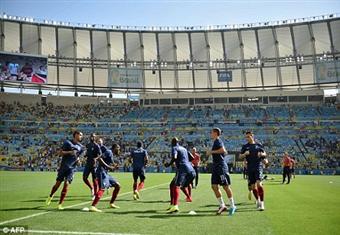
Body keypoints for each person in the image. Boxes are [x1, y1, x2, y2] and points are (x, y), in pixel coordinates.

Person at [46, 131, 84, 210]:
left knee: (66, 184)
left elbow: (77, 156)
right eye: (80, 135)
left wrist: (78, 160)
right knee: (57, 184)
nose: (81, 136)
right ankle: (51, 195)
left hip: (72, 168)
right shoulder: (67, 143)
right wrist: (70, 152)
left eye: (81, 135)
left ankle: (60, 204)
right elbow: (60, 153)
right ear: (75, 135)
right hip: (63, 167)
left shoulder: (81, 147)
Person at [206, 127, 236, 216]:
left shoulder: (218, 140)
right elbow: (225, 151)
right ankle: (222, 205)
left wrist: (211, 152)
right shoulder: (216, 142)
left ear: (215, 133)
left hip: (221, 167)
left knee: (225, 186)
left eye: (211, 132)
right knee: (214, 186)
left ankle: (232, 205)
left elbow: (223, 150)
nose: (210, 133)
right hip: (216, 166)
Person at [164, 138, 196, 213]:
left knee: (176, 186)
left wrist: (168, 164)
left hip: (182, 169)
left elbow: (174, 157)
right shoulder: (184, 148)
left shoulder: (174, 148)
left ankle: (175, 205)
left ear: (172, 143)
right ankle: (172, 204)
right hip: (190, 169)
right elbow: (192, 157)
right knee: (172, 185)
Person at [239, 131, 267, 211]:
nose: (247, 138)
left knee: (259, 184)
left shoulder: (258, 145)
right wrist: (245, 154)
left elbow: (265, 154)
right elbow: (240, 156)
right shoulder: (245, 146)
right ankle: (257, 200)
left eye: (248, 136)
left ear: (252, 136)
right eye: (246, 137)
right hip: (250, 168)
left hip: (258, 166)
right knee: (252, 186)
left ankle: (262, 203)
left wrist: (262, 155)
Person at [90, 140, 121, 212]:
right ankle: (93, 206)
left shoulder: (111, 154)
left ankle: (111, 203)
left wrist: (114, 166)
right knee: (102, 188)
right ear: (114, 148)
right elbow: (100, 158)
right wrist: (109, 167)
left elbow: (110, 162)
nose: (119, 149)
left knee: (117, 185)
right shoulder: (109, 152)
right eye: (118, 148)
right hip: (101, 172)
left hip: (105, 173)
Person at [83, 133, 101, 199]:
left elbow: (100, 155)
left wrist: (95, 159)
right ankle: (91, 188)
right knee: (84, 178)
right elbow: (86, 153)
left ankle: (95, 195)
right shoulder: (87, 145)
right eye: (91, 136)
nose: (92, 138)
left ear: (95, 138)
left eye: (93, 137)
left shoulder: (97, 146)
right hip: (88, 164)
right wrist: (85, 156)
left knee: (94, 180)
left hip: (94, 165)